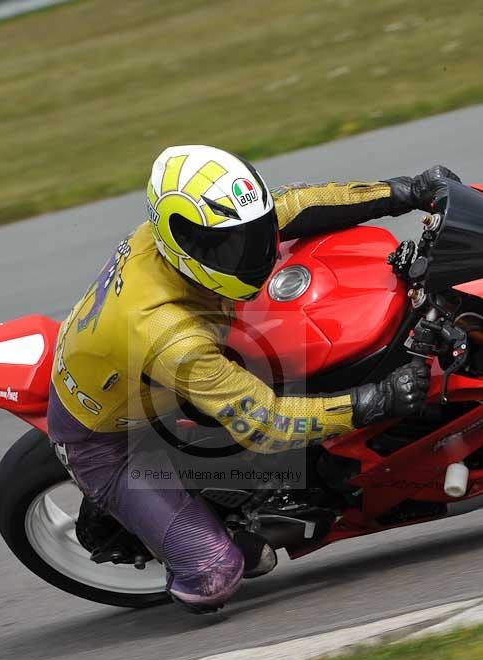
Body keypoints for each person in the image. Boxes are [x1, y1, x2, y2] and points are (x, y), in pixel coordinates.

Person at [47, 145, 459, 613]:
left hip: (157, 359)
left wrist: (404, 191)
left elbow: (297, 205)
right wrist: (371, 402)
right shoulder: (167, 333)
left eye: (255, 234)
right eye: (231, 246)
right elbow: (265, 423)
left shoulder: (196, 237)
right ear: (182, 241)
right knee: (216, 576)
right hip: (108, 440)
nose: (255, 251)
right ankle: (208, 541)